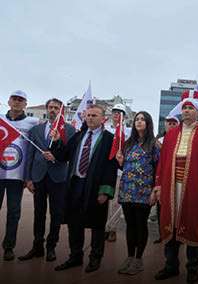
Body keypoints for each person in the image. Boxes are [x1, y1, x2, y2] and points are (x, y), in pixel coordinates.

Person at [49, 105, 118, 273]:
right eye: (88, 115)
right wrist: (57, 140)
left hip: (96, 187)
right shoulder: (79, 136)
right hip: (75, 184)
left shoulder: (110, 139)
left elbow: (111, 166)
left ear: (103, 119)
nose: (90, 118)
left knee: (97, 224)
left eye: (94, 115)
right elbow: (63, 155)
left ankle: (95, 258)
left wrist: (105, 190)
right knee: (74, 223)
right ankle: (75, 257)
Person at [153, 90, 198, 283]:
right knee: (170, 225)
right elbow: (162, 162)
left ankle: (193, 268)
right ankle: (171, 266)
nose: (186, 111)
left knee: (193, 224)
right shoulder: (171, 135)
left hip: (194, 189)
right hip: (171, 187)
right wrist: (159, 184)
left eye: (190, 108)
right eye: (184, 107)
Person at [19, 98, 75, 262]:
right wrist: (28, 178)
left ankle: (51, 246)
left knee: (56, 213)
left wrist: (56, 157)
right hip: (38, 176)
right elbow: (29, 154)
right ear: (46, 109)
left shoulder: (69, 130)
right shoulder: (36, 129)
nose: (52, 110)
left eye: (56, 108)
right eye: (50, 107)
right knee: (39, 212)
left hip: (58, 177)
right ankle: (37, 246)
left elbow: (69, 154)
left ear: (60, 111)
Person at [115, 111, 159, 275]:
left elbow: (158, 168)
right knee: (130, 225)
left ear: (148, 123)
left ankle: (138, 260)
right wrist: (120, 162)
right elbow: (125, 167)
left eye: (142, 119)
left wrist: (155, 190)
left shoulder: (154, 145)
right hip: (127, 190)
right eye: (137, 119)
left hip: (144, 191)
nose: (139, 122)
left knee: (141, 225)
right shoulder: (128, 144)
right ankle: (129, 257)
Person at [0, 90, 39, 261]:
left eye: (20, 100)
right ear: (9, 101)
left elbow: (34, 149)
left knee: (14, 212)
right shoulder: (1, 119)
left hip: (17, 176)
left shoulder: (33, 122)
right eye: (14, 99)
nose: (16, 102)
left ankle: (9, 247)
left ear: (25, 104)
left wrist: (28, 176)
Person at [105, 103, 131, 242]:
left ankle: (111, 229)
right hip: (105, 170)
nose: (116, 114)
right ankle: (103, 227)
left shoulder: (129, 132)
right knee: (103, 200)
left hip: (120, 171)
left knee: (116, 202)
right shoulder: (105, 129)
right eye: (115, 111)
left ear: (125, 116)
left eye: (120, 112)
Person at [152, 113, 180, 244]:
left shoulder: (180, 138)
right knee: (161, 208)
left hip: (175, 178)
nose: (172, 125)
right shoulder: (159, 139)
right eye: (169, 122)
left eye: (174, 123)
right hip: (158, 177)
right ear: (165, 124)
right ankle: (162, 233)